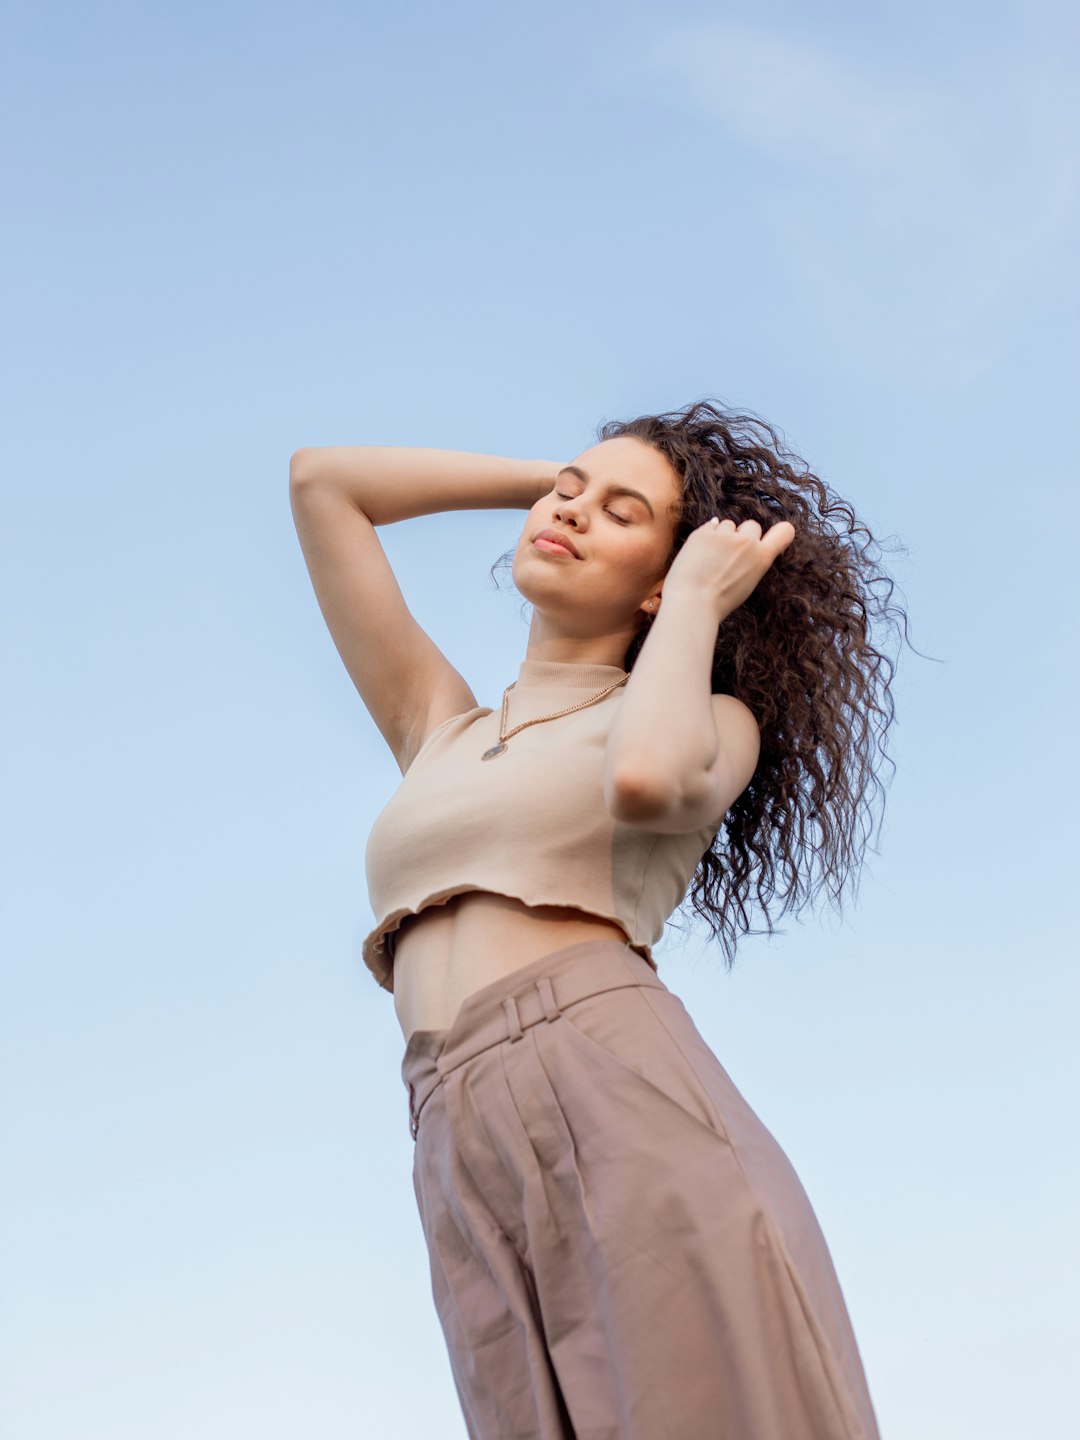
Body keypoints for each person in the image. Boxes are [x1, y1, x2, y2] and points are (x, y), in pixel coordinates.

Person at [289, 399, 901, 1439]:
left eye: (623, 515)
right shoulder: (439, 724)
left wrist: (699, 600)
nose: (570, 513)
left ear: (668, 578)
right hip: (448, 1119)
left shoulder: (714, 723)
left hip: (609, 1079)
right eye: (569, 492)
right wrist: (552, 482)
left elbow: (649, 781)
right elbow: (324, 485)